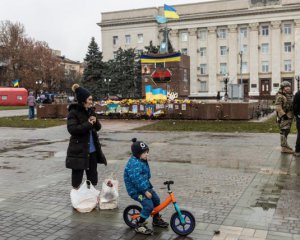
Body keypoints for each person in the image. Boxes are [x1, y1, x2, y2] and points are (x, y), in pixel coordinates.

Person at [124, 138, 169, 235]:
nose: (147, 154)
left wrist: (149, 187)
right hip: (136, 191)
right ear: (138, 154)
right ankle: (139, 225)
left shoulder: (141, 160)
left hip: (144, 187)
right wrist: (145, 191)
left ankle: (156, 219)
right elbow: (137, 180)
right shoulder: (134, 164)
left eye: (147, 152)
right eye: (145, 153)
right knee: (148, 205)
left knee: (156, 200)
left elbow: (145, 177)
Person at [66, 84, 107, 189]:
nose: (91, 101)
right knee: (77, 178)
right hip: (79, 150)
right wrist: (88, 124)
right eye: (89, 99)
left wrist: (95, 121)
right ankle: (76, 197)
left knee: (92, 177)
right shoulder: (73, 112)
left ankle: (91, 195)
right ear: (83, 99)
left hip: (92, 150)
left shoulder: (90, 111)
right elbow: (72, 130)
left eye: (91, 99)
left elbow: (97, 128)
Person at [275, 81, 294, 154]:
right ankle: (283, 147)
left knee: (287, 131)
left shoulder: (289, 95)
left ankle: (285, 145)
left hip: (289, 116)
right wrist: (284, 115)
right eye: (286, 87)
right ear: (283, 88)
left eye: (289, 86)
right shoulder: (280, 96)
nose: (288, 88)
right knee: (283, 131)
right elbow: (278, 107)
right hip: (283, 117)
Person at [293, 88, 300, 156]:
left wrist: (296, 115)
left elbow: (295, 106)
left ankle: (297, 151)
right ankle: (297, 150)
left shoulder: (298, 94)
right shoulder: (298, 94)